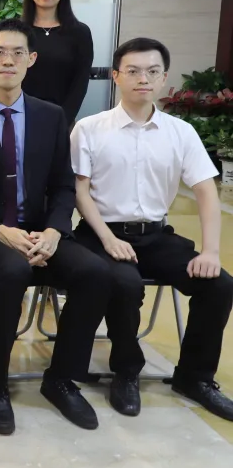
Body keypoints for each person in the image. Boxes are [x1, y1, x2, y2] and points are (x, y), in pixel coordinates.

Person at [0, 19, 111, 435]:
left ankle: (61, 379)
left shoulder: (51, 116)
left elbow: (63, 186)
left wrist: (54, 231)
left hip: (38, 232)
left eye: (18, 53)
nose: (8, 60)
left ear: (31, 59)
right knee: (12, 271)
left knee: (95, 273)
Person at [72, 37, 233, 421]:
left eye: (152, 71)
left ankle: (194, 378)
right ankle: (126, 372)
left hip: (156, 235)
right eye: (133, 71)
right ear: (116, 76)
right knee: (124, 284)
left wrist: (211, 251)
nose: (142, 78)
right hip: (101, 234)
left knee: (219, 285)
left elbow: (205, 191)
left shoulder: (181, 132)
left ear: (163, 78)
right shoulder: (89, 128)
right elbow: (79, 191)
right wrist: (108, 238)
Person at [21, 0, 94, 125]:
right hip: (18, 118)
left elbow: (80, 82)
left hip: (62, 120)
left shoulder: (80, 32)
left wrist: (63, 120)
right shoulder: (17, 31)